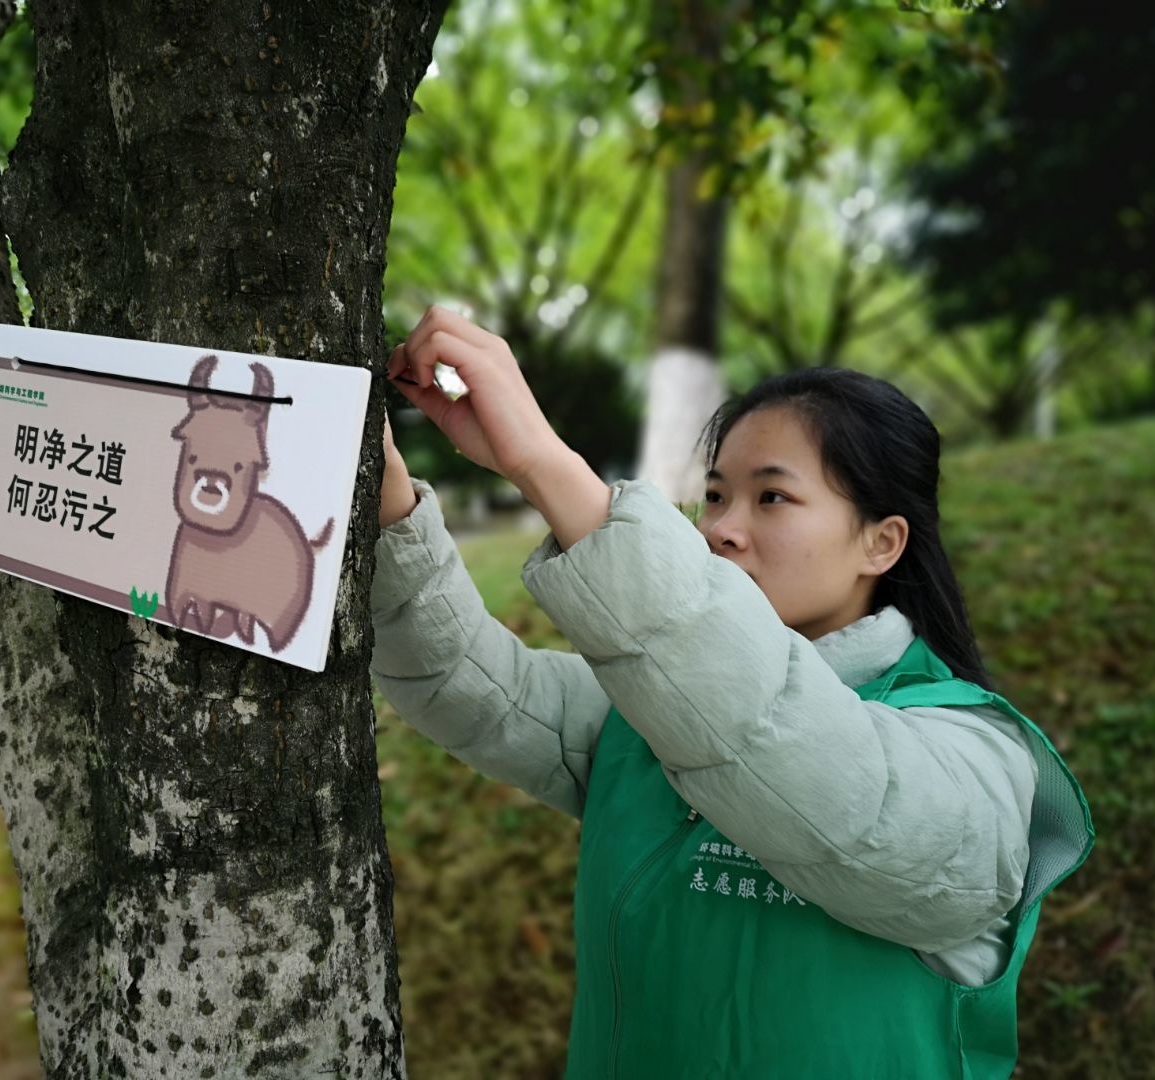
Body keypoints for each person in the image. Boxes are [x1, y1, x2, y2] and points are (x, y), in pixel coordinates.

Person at [370, 305, 1093, 1079]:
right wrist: (383, 499)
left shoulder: (975, 762)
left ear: (881, 542)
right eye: (715, 496)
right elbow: (466, 681)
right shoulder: (641, 715)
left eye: (771, 497)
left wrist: (544, 465)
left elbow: (818, 775)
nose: (722, 529)